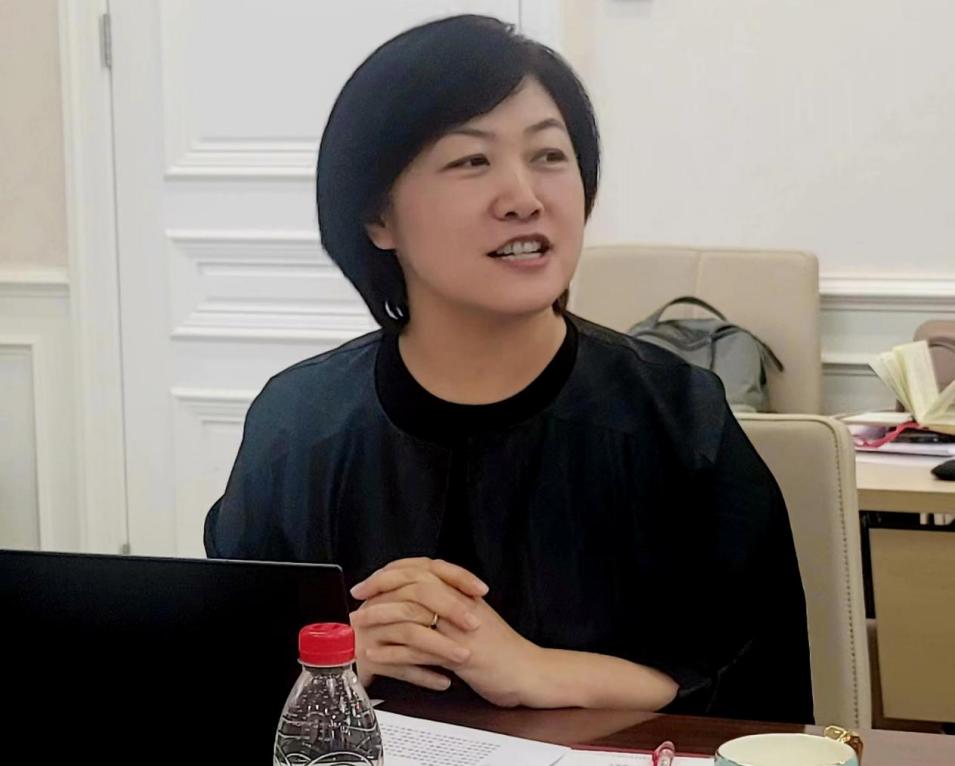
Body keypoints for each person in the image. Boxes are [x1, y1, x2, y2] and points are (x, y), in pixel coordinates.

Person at [204, 14, 813, 723]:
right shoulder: (299, 424)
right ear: (378, 217)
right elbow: (225, 668)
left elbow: (762, 692)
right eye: (471, 161)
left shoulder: (676, 417)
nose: (524, 197)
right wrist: (339, 659)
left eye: (549, 155)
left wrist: (536, 670)